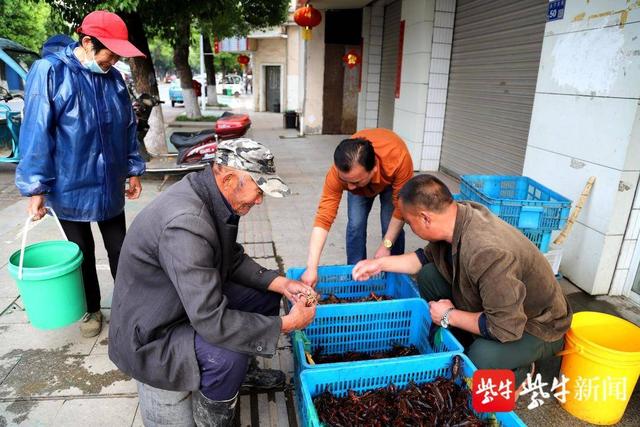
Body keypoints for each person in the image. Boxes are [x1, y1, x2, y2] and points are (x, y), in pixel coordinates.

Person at [109, 139, 317, 426]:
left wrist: (281, 283)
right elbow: (211, 320)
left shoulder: (212, 194)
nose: (259, 201)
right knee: (227, 356)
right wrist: (288, 324)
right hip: (153, 330)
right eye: (258, 190)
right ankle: (214, 417)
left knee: (265, 296)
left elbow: (230, 258)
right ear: (230, 179)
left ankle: (242, 376)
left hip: (182, 299)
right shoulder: (187, 223)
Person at [352, 174, 572, 386]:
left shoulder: (487, 252)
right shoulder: (456, 217)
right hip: (500, 307)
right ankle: (464, 338)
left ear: (425, 218)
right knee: (429, 275)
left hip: (537, 325)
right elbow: (423, 258)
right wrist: (378, 265)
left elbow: (505, 327)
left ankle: (521, 371)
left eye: (410, 223)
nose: (411, 229)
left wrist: (448, 315)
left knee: (480, 358)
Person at [15, 11, 146, 338]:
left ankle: (130, 309)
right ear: (87, 42)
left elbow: (127, 127)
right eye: (110, 53)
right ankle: (91, 309)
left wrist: (133, 169)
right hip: (69, 183)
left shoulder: (113, 78)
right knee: (82, 252)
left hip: (109, 182)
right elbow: (36, 132)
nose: (114, 60)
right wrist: (36, 188)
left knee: (121, 249)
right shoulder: (49, 73)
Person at [301, 128, 414, 287]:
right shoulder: (339, 174)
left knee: (389, 223)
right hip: (363, 178)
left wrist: (385, 245)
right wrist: (311, 267)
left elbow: (401, 209)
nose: (349, 188)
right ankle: (356, 276)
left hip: (390, 181)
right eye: (345, 180)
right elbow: (324, 218)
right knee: (356, 224)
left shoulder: (399, 159)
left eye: (355, 182)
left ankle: (395, 277)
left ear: (373, 169)